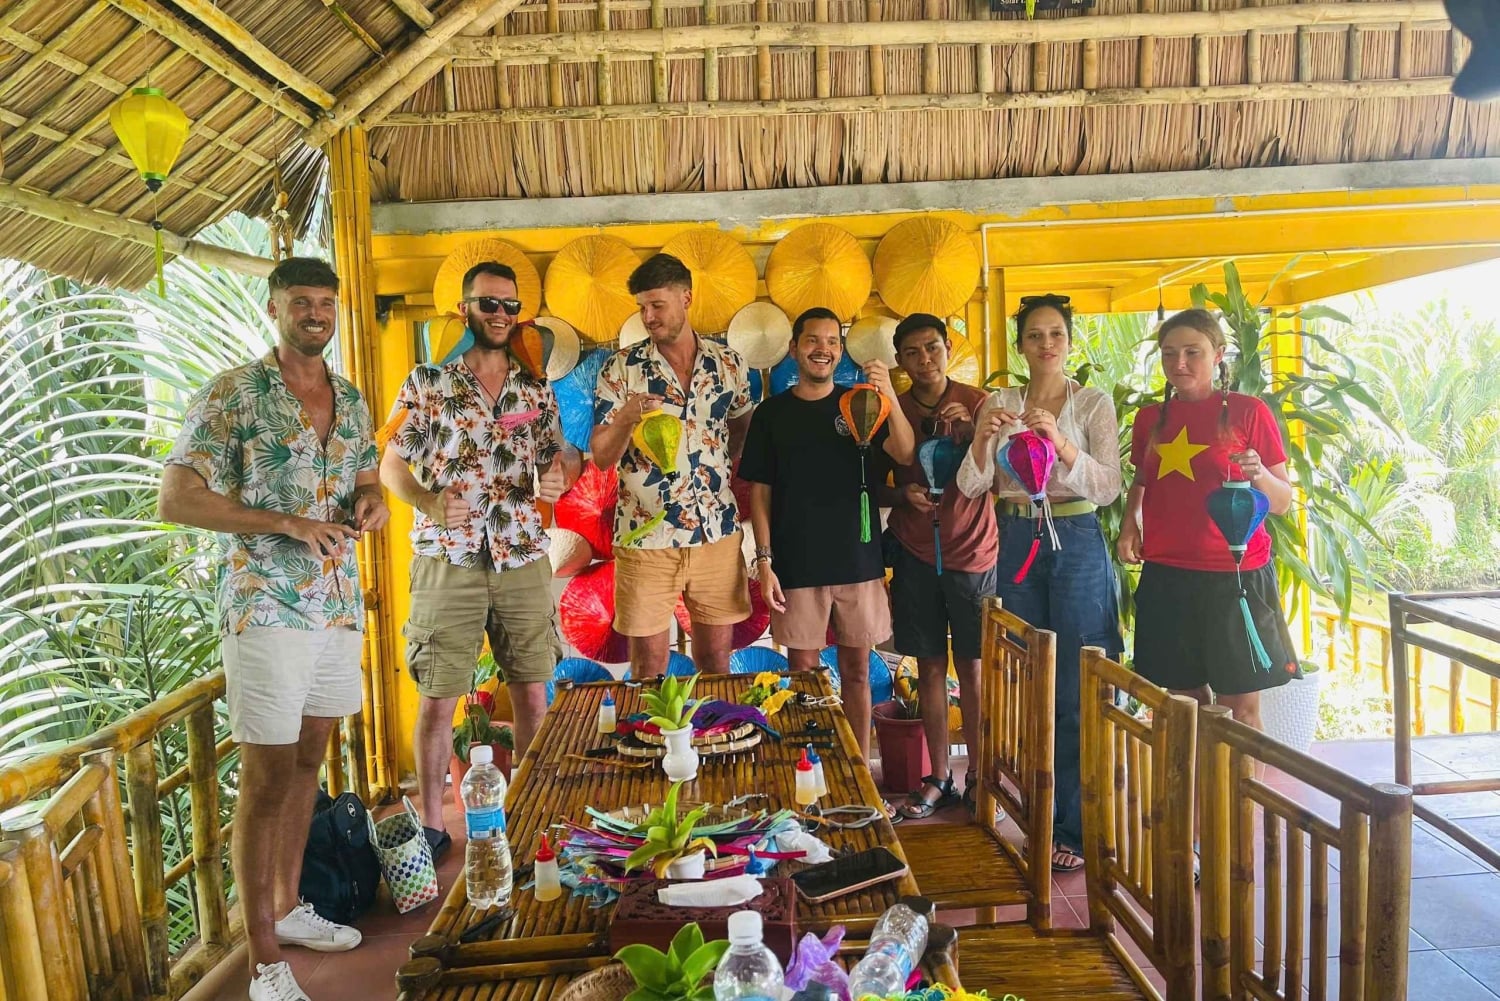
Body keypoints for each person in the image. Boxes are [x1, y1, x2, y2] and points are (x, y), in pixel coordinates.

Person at [159, 257, 387, 1001]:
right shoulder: (232, 394)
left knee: (307, 761)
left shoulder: (350, 400)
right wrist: (285, 521)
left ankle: (289, 909)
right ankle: (264, 962)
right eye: (301, 302)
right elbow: (177, 498)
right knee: (262, 779)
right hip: (265, 605)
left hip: (336, 603)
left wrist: (372, 501)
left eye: (326, 302)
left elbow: (364, 476)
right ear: (274, 308)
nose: (315, 313)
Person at [381, 262, 581, 859]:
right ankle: (432, 824)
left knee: (531, 690)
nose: (500, 315)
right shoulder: (427, 384)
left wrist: (557, 473)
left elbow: (562, 458)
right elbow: (390, 461)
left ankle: (535, 808)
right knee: (439, 696)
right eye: (488, 304)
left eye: (509, 306)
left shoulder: (534, 388)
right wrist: (423, 500)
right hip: (450, 557)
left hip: (521, 552)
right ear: (464, 310)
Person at [957, 293, 1123, 872]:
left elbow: (1106, 489)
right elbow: (974, 485)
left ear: (1070, 341)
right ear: (1021, 345)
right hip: (1016, 535)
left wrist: (1061, 441)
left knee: (1075, 685)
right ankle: (1034, 816)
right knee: (1028, 680)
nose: (1046, 344)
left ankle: (1073, 829)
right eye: (1034, 336)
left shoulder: (1094, 403)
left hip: (1076, 540)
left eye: (1055, 334)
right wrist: (984, 435)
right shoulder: (1000, 401)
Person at [740, 307, 916, 796]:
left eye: (832, 342)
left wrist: (889, 398)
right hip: (796, 565)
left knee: (859, 671)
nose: (823, 348)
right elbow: (760, 493)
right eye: (812, 340)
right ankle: (810, 771)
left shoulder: (861, 402)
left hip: (858, 560)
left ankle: (858, 774)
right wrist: (764, 561)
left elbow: (903, 453)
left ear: (841, 351)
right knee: (805, 677)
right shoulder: (772, 413)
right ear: (794, 348)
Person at [1117, 308, 1297, 729]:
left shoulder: (1249, 411)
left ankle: (1243, 798)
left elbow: (1283, 501)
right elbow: (1143, 481)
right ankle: (1194, 795)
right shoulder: (1150, 419)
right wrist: (1130, 523)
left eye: (1192, 352)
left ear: (1218, 355)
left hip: (1235, 576)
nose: (1178, 364)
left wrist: (1260, 475)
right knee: (1183, 705)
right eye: (1169, 353)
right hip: (1168, 574)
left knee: (1242, 708)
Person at [592, 253, 754, 678]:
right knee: (647, 666)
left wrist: (713, 471)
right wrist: (627, 415)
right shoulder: (621, 368)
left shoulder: (729, 363)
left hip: (715, 531)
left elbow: (742, 427)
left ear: (686, 297)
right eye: (642, 307)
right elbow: (603, 455)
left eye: (657, 305)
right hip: (648, 536)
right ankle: (654, 745)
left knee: (717, 663)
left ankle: (713, 743)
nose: (648, 316)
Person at [882, 313, 998, 822]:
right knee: (928, 666)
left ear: (948, 348)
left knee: (972, 669)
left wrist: (975, 432)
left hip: (973, 553)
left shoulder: (980, 403)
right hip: (913, 552)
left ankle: (979, 775)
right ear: (900, 362)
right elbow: (872, 478)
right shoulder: (894, 408)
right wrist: (899, 494)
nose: (925, 360)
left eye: (933, 348)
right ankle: (939, 777)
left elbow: (1005, 476)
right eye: (913, 353)